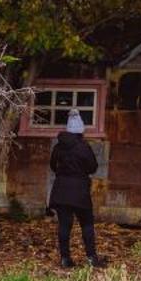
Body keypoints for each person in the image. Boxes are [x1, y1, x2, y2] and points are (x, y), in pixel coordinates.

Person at [48, 110, 103, 268]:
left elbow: (53, 165)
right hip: (79, 191)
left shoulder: (58, 147)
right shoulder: (83, 147)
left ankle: (65, 258)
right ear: (81, 131)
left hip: (61, 190)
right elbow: (92, 167)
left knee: (64, 225)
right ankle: (91, 257)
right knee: (86, 224)